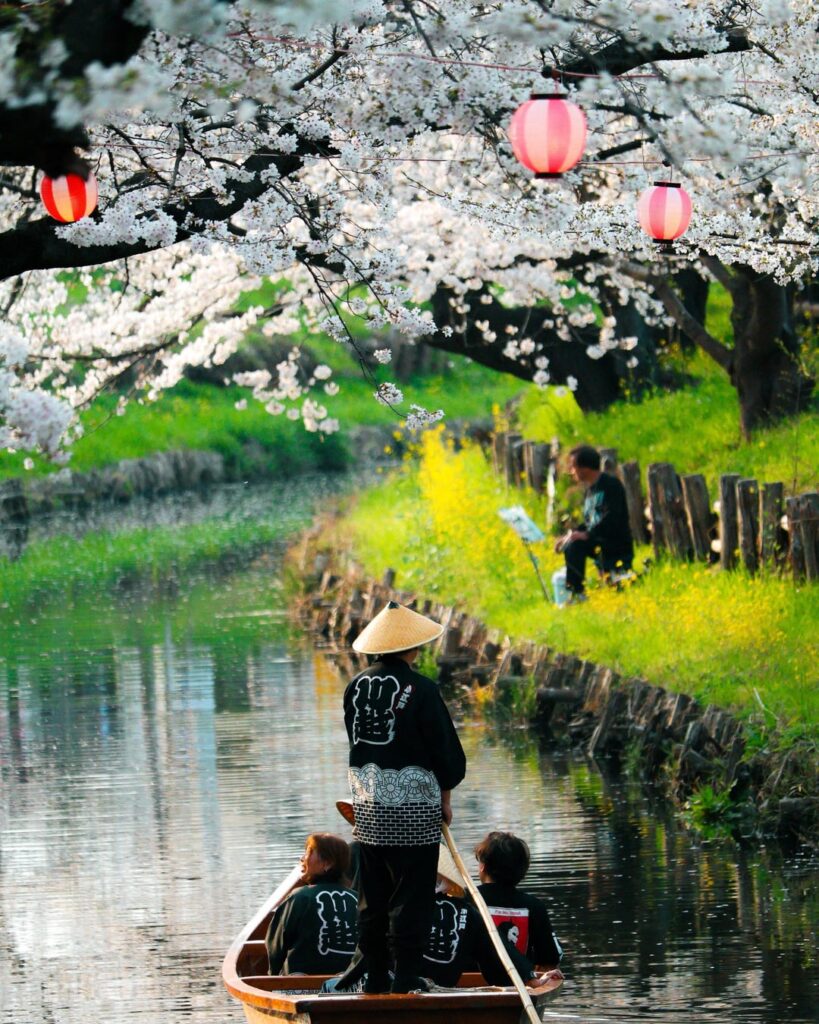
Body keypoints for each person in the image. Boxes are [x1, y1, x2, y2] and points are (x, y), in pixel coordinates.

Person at [340, 600, 467, 994]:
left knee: (373, 896)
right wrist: (446, 795)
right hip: (415, 809)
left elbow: (360, 744)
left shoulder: (355, 687)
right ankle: (407, 976)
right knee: (413, 895)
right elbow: (444, 752)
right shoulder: (424, 690)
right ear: (413, 647)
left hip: (368, 807)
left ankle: (377, 976)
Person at [265, 833, 358, 976]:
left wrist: (273, 976)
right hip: (351, 983)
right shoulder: (357, 899)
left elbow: (276, 946)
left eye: (308, 853)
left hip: (303, 984)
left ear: (327, 863)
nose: (302, 859)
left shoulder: (299, 897)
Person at [553, 444, 633, 603]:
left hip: (614, 543)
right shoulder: (590, 490)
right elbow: (590, 521)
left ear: (585, 468)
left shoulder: (611, 485)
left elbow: (612, 518)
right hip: (597, 541)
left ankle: (578, 594)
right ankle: (575, 592)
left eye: (574, 467)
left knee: (576, 544)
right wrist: (570, 535)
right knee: (572, 544)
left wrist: (587, 534)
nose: (571, 471)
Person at [475, 831, 563, 968]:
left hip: (468, 979)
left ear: (483, 867)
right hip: (521, 979)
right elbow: (550, 960)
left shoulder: (464, 899)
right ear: (522, 870)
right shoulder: (534, 906)